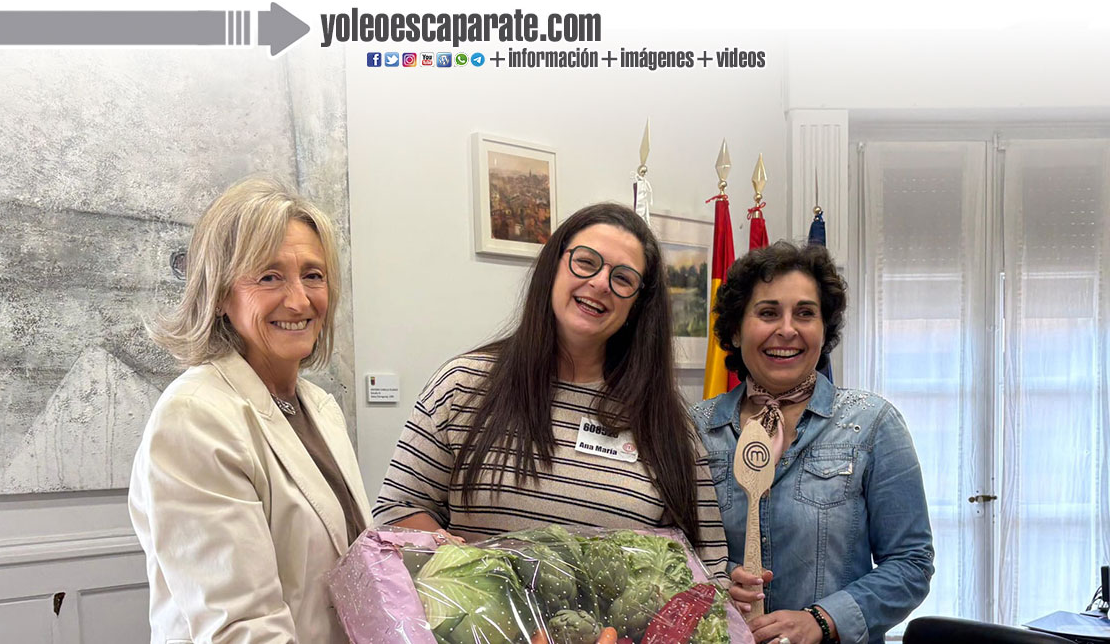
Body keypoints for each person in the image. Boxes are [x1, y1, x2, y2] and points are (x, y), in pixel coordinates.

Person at [373, 202, 729, 576]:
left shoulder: (667, 424)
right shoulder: (462, 386)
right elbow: (397, 511)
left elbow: (705, 564)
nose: (600, 283)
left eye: (623, 279)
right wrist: (470, 569)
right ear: (554, 266)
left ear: (637, 305)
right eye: (586, 262)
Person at [128, 176, 370, 643]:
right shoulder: (194, 417)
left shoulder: (319, 407)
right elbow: (240, 630)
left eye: (313, 275)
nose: (299, 300)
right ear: (220, 294)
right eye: (269, 277)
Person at [692, 241, 933, 644]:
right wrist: (717, 582)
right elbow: (673, 554)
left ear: (824, 329)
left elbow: (911, 564)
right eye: (768, 312)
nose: (787, 329)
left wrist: (822, 620)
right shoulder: (694, 430)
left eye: (805, 313)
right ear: (735, 329)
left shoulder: (873, 424)